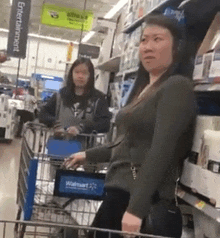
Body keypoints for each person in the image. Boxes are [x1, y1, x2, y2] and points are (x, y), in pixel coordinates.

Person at [63, 14, 197, 238]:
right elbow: (124, 142)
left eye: (158, 39)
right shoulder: (143, 88)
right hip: (119, 194)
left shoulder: (177, 87)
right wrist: (88, 155)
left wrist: (136, 209)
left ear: (176, 47)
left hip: (140, 200)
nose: (148, 47)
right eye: (144, 40)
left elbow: (161, 150)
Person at [39, 58, 111, 138]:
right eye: (76, 72)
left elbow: (105, 124)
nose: (80, 76)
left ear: (90, 76)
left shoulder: (98, 99)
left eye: (84, 73)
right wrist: (55, 124)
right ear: (71, 74)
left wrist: (82, 128)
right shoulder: (60, 95)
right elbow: (43, 113)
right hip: (58, 145)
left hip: (85, 148)